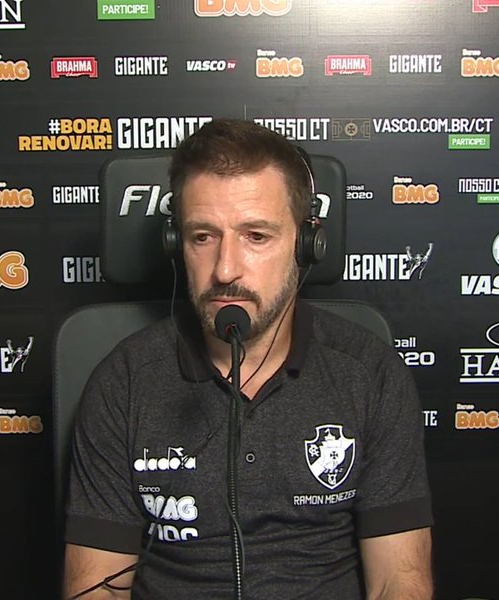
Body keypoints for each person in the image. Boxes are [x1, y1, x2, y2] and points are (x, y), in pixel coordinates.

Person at [63, 118, 433, 599]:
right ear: (176, 244)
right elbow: (97, 588)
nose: (225, 269)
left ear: (307, 245)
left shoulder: (371, 374)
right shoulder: (123, 382)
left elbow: (398, 581)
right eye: (203, 236)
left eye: (256, 236)